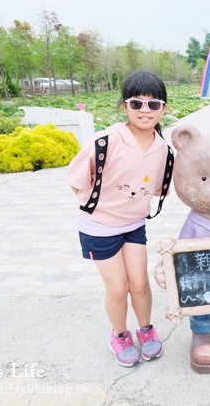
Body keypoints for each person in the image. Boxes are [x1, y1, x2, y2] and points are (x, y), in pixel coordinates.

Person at [67, 71, 169, 367]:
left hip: (134, 225)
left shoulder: (163, 148)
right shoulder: (106, 141)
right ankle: (120, 335)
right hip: (98, 227)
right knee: (117, 287)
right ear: (124, 107)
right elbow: (76, 180)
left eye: (154, 104)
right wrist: (104, 206)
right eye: (136, 104)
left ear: (165, 108)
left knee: (139, 282)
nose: (145, 111)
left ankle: (146, 330)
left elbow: (157, 186)